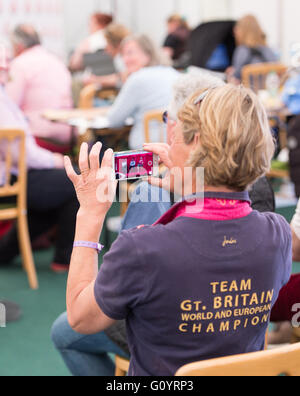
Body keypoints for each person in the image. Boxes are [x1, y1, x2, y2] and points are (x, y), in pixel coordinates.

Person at [62, 83, 291, 377]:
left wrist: (90, 215)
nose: (170, 141)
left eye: (175, 131)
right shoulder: (278, 235)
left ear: (195, 142)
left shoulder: (143, 248)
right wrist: (190, 185)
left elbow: (81, 319)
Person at [0, 85, 79, 273]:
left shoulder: (4, 95)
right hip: (9, 179)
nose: (5, 66)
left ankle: (5, 251)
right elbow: (23, 155)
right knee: (76, 180)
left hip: (15, 173)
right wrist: (55, 160)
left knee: (62, 187)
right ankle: (65, 259)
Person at [107, 34, 179, 150]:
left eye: (130, 53)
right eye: (123, 55)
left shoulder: (137, 79)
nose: (125, 60)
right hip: (175, 147)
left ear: (148, 53)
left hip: (145, 152)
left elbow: (113, 120)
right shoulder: (173, 73)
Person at [6, 25, 73, 148]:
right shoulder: (57, 62)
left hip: (38, 139)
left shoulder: (18, 65)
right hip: (66, 137)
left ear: (18, 46)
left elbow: (9, 106)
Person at [227, 15, 278, 83]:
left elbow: (236, 76)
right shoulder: (268, 50)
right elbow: (276, 69)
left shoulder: (242, 50)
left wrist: (230, 74)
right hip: (267, 91)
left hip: (248, 91)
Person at [83, 23, 131, 89]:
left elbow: (120, 79)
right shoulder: (125, 56)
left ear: (116, 43)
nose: (106, 47)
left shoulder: (122, 58)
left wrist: (95, 80)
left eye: (107, 43)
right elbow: (119, 77)